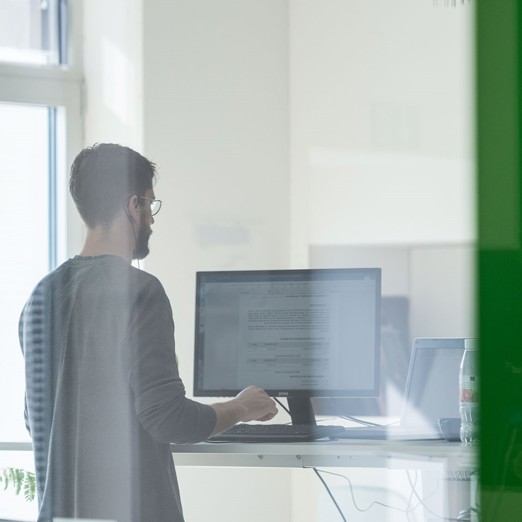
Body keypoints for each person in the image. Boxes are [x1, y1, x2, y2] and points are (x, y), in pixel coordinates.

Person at [19, 143, 278, 522]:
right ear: (133, 205)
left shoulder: (40, 296)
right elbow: (167, 418)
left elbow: (35, 419)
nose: (152, 220)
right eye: (150, 206)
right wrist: (242, 407)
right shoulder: (140, 291)